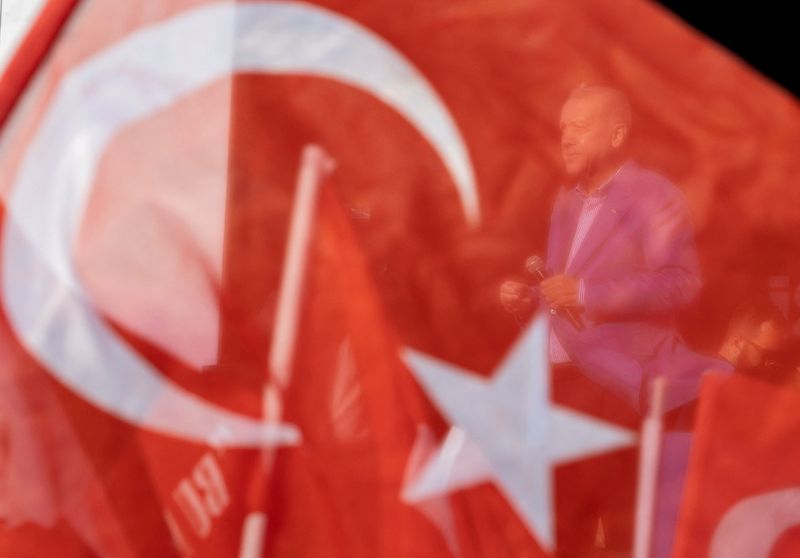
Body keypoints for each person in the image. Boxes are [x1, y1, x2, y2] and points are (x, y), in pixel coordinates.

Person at [500, 84, 730, 557]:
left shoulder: (655, 194)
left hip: (614, 388)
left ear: (617, 134)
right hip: (558, 386)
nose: (565, 138)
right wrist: (530, 299)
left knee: (623, 528)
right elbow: (563, 290)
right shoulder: (565, 203)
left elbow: (682, 283)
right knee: (558, 531)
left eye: (580, 127)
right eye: (563, 127)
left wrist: (586, 293)